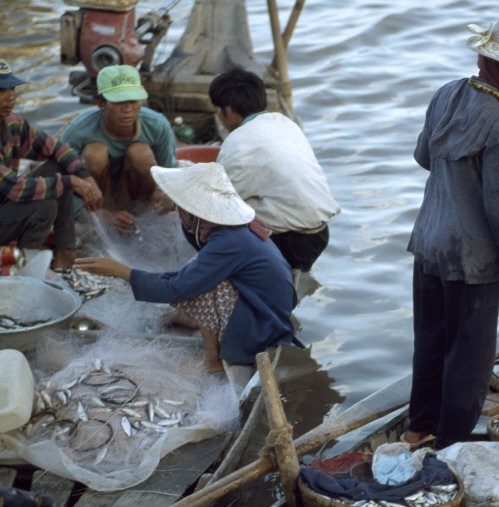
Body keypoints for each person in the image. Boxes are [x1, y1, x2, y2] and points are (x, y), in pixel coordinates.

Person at [405, 13, 499, 450]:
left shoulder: (446, 93)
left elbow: (424, 156)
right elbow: (494, 205)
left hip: (429, 243)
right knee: (470, 361)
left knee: (430, 344)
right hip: (470, 259)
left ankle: (418, 428)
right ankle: (448, 448)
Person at [74, 161, 297, 372]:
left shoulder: (228, 242)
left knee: (203, 285)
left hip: (265, 326)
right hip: (270, 311)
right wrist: (172, 202)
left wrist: (121, 271)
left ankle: (213, 360)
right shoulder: (235, 227)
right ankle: (202, 325)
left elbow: (178, 288)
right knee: (196, 273)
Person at [208, 67, 339, 276]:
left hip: (290, 239)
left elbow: (223, 202)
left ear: (228, 110)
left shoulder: (238, 141)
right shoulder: (285, 123)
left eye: (218, 110)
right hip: (320, 232)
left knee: (216, 220)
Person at [0, 59, 102, 269]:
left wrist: (85, 176)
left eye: (12, 89)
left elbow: (56, 148)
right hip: (7, 199)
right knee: (45, 205)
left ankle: (66, 253)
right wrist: (71, 182)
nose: (10, 97)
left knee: (60, 167)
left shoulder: (13, 122)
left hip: (4, 205)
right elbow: (15, 189)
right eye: (1, 92)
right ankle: (24, 267)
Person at [60, 64, 177, 234]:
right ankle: (108, 220)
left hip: (137, 195)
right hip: (99, 201)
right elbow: (61, 186)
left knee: (140, 153)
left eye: (133, 101)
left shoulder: (157, 125)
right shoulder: (77, 132)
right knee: (95, 153)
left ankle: (140, 218)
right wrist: (103, 216)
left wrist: (162, 194)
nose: (127, 109)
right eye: (119, 102)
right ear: (100, 103)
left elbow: (170, 172)